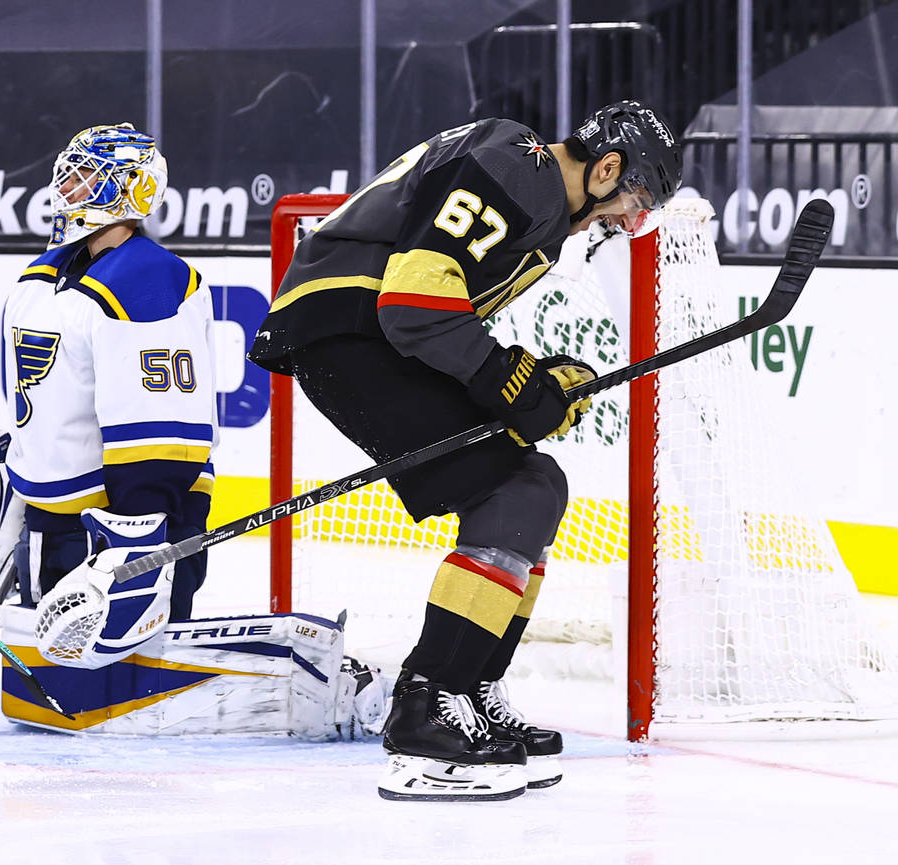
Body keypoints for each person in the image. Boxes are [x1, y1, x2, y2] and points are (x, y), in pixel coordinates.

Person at [248, 100, 683, 800]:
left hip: (364, 329)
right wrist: (512, 381)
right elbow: (415, 304)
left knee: (535, 484)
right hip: (348, 328)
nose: (626, 221)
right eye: (632, 202)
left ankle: (468, 689)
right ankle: (425, 709)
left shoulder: (534, 197)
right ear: (606, 170)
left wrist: (532, 383)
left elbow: (436, 310)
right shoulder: (519, 168)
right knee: (514, 488)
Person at [2, 122, 218, 668]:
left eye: (88, 175)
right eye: (69, 173)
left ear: (133, 188)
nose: (69, 186)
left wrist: (137, 537)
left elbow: (160, 422)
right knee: (64, 670)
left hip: (123, 520)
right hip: (58, 517)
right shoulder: (47, 274)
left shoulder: (150, 280)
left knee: (125, 670)